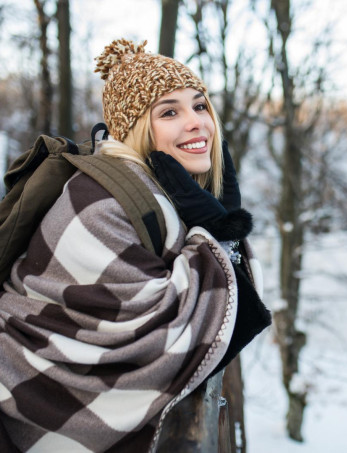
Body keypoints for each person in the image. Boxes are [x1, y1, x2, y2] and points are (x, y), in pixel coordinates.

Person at [0, 38, 270, 452]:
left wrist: (216, 226)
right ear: (135, 128)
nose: (197, 122)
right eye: (169, 112)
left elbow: (220, 315)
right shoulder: (102, 203)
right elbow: (167, 336)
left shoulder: (151, 186)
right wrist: (218, 232)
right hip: (29, 393)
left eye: (199, 106)